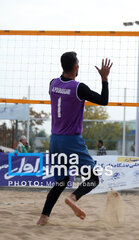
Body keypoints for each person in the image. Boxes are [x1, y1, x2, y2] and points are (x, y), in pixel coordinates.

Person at [37, 52, 113, 225]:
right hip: (71, 141)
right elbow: (104, 100)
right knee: (93, 179)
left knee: (61, 182)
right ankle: (73, 198)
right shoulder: (79, 87)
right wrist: (104, 78)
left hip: (55, 140)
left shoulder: (52, 84)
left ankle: (43, 218)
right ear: (76, 67)